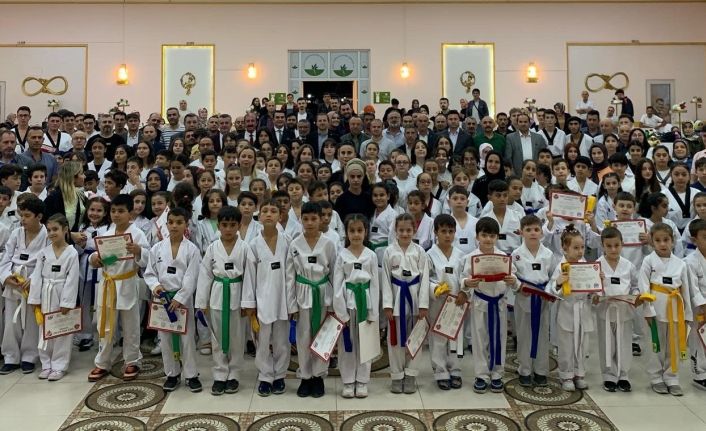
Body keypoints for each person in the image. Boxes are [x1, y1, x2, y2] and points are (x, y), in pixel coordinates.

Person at [87, 194, 150, 382]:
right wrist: (94, 259)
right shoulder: (105, 233)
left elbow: (148, 258)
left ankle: (132, 360)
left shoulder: (137, 234)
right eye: (113, 211)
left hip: (128, 281)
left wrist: (139, 251)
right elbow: (94, 256)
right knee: (105, 325)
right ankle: (102, 362)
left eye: (121, 211)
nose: (116, 215)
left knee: (131, 325)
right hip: (108, 283)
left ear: (130, 213)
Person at [196, 206, 255, 396]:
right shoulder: (212, 248)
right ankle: (220, 373)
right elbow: (205, 275)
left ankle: (234, 374)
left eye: (232, 225)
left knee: (237, 337)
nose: (228, 229)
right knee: (217, 337)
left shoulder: (245, 247)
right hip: (218, 294)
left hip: (238, 293)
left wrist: (248, 302)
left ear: (239, 225)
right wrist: (201, 302)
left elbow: (249, 276)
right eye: (224, 225)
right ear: (218, 226)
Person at [144, 207, 203, 393]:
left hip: (182, 300)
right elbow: (150, 273)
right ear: (166, 224)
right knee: (165, 338)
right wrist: (155, 286)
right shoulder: (157, 248)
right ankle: (172, 373)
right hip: (162, 299)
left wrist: (180, 297)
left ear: (186, 224)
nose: (174, 226)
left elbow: (192, 276)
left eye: (179, 222)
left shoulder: (192, 249)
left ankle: (191, 375)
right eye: (171, 222)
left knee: (187, 338)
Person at [639, 223, 699, 396]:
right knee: (656, 344)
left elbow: (686, 290)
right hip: (656, 307)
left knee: (673, 345)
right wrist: (648, 310)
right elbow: (644, 286)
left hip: (675, 308)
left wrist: (688, 313)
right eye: (658, 240)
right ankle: (656, 377)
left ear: (673, 241)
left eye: (666, 240)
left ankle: (672, 377)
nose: (662, 244)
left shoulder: (680, 264)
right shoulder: (648, 261)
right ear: (652, 242)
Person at [285, 202, 336, 398]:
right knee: (303, 337)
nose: (310, 222)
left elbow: (334, 274)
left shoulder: (328, 243)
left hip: (323, 294)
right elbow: (290, 276)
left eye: (314, 218)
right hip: (302, 293)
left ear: (321, 219)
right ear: (301, 220)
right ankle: (305, 376)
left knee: (322, 337)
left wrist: (334, 303)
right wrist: (291, 304)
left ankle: (319, 376)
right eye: (305, 219)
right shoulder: (295, 244)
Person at [460, 217, 515, 393]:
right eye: (484, 235)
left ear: (497, 237)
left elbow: (513, 277)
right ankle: (481, 375)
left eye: (492, 236)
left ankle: (497, 374)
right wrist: (467, 282)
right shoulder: (471, 257)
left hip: (498, 303)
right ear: (477, 236)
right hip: (480, 302)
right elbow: (463, 278)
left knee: (499, 338)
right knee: (479, 339)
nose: (488, 239)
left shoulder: (504, 257)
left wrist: (513, 280)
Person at [242, 200, 290, 397]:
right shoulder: (253, 244)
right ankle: (265, 376)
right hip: (261, 300)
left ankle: (280, 375)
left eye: (273, 211)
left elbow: (292, 274)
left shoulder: (287, 241)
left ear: (280, 216)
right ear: (259, 216)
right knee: (262, 340)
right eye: (265, 211)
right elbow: (249, 276)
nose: (269, 214)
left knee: (282, 340)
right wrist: (249, 304)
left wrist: (293, 301)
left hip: (283, 299)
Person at [332, 213, 380, 398]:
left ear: (365, 232)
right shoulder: (342, 255)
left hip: (365, 303)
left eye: (360, 230)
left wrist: (373, 312)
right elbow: (338, 285)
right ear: (346, 233)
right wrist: (341, 312)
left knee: (365, 344)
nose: (356, 234)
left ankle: (362, 381)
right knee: (348, 344)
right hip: (348, 303)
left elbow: (375, 284)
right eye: (352, 231)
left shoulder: (371, 255)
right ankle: (348, 380)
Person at [382, 213, 430, 394]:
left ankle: (411, 374)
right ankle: (397, 375)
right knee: (394, 338)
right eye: (401, 230)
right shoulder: (389, 251)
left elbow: (425, 279)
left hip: (414, 296)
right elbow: (385, 279)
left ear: (414, 230)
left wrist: (423, 305)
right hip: (396, 297)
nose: (404, 233)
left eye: (408, 230)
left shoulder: (419, 251)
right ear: (395, 231)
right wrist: (387, 305)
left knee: (415, 337)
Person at [0, 197, 48, 374]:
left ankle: (29, 356)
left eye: (27, 216)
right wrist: (5, 277)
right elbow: (6, 258)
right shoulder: (16, 233)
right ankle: (11, 356)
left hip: (33, 281)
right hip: (14, 280)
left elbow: (47, 260)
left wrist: (34, 279)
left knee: (31, 321)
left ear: (39, 216)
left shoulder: (47, 235)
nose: (23, 219)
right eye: (22, 215)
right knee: (10, 321)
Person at [511, 214, 554, 387]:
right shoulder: (516, 254)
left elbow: (553, 277)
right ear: (521, 232)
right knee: (524, 335)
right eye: (528, 230)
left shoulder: (548, 254)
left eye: (536, 229)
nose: (533, 233)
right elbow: (511, 276)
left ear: (542, 232)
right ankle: (525, 370)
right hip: (524, 297)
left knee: (543, 334)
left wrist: (549, 291)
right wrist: (519, 286)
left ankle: (541, 371)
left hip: (542, 299)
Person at [550, 225, 594, 392]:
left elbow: (592, 291)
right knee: (566, 345)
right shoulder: (560, 266)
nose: (580, 251)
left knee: (582, 343)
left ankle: (579, 374)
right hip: (567, 309)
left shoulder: (587, 266)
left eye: (582, 247)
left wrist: (597, 282)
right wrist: (558, 282)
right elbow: (552, 290)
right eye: (575, 248)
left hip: (583, 309)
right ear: (565, 248)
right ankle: (566, 375)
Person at [595, 227, 639, 392]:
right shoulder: (597, 265)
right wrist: (595, 295)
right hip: (605, 310)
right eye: (609, 246)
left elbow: (635, 286)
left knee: (624, 343)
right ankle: (609, 375)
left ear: (622, 244)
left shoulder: (629, 266)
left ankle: (623, 375)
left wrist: (635, 296)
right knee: (607, 344)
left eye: (616, 245)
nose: (613, 249)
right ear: (602, 245)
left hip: (624, 309)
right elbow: (593, 288)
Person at [427, 214, 465, 390]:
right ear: (436, 232)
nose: (447, 235)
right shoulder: (429, 255)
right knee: (438, 337)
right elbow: (427, 278)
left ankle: (455, 369)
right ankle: (441, 371)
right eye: (443, 231)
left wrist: (464, 291)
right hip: (438, 301)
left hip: (457, 301)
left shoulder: (460, 255)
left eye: (451, 231)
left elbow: (465, 276)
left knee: (456, 336)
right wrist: (435, 288)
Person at [684, 219, 706, 390]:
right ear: (694, 240)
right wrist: (703, 305)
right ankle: (700, 374)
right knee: (698, 339)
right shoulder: (690, 261)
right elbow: (692, 288)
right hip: (699, 307)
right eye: (705, 237)